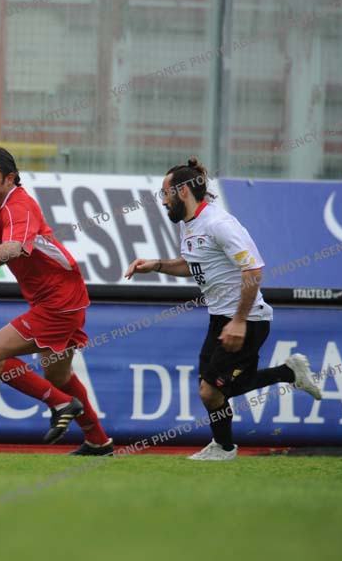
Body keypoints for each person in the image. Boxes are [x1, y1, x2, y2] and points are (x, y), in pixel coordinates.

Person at [125, 157, 322, 461]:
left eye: (165, 193)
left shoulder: (219, 224)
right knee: (215, 389)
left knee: (210, 390)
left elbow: (253, 270)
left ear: (183, 192)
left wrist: (239, 321)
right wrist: (158, 265)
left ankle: (225, 447)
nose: (163, 201)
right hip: (220, 318)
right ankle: (287, 373)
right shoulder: (191, 224)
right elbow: (194, 264)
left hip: (247, 319)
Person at [0, 147, 113, 456]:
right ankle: (98, 441)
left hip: (59, 301)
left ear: (10, 178)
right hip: (62, 297)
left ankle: (61, 404)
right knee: (59, 376)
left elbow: (11, 249)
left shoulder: (19, 206)